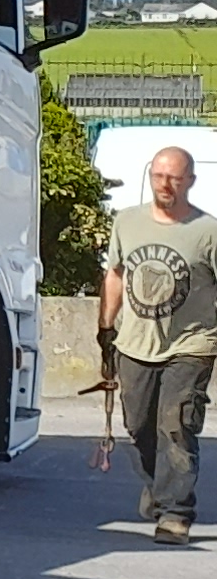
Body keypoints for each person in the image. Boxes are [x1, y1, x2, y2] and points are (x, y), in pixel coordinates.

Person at [101, 144, 217, 543]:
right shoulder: (127, 222)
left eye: (174, 178)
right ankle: (161, 488)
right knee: (139, 426)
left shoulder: (208, 231)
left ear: (190, 181)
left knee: (176, 424)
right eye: (158, 176)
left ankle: (175, 514)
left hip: (191, 344)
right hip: (135, 344)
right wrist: (106, 325)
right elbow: (115, 273)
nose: (165, 184)